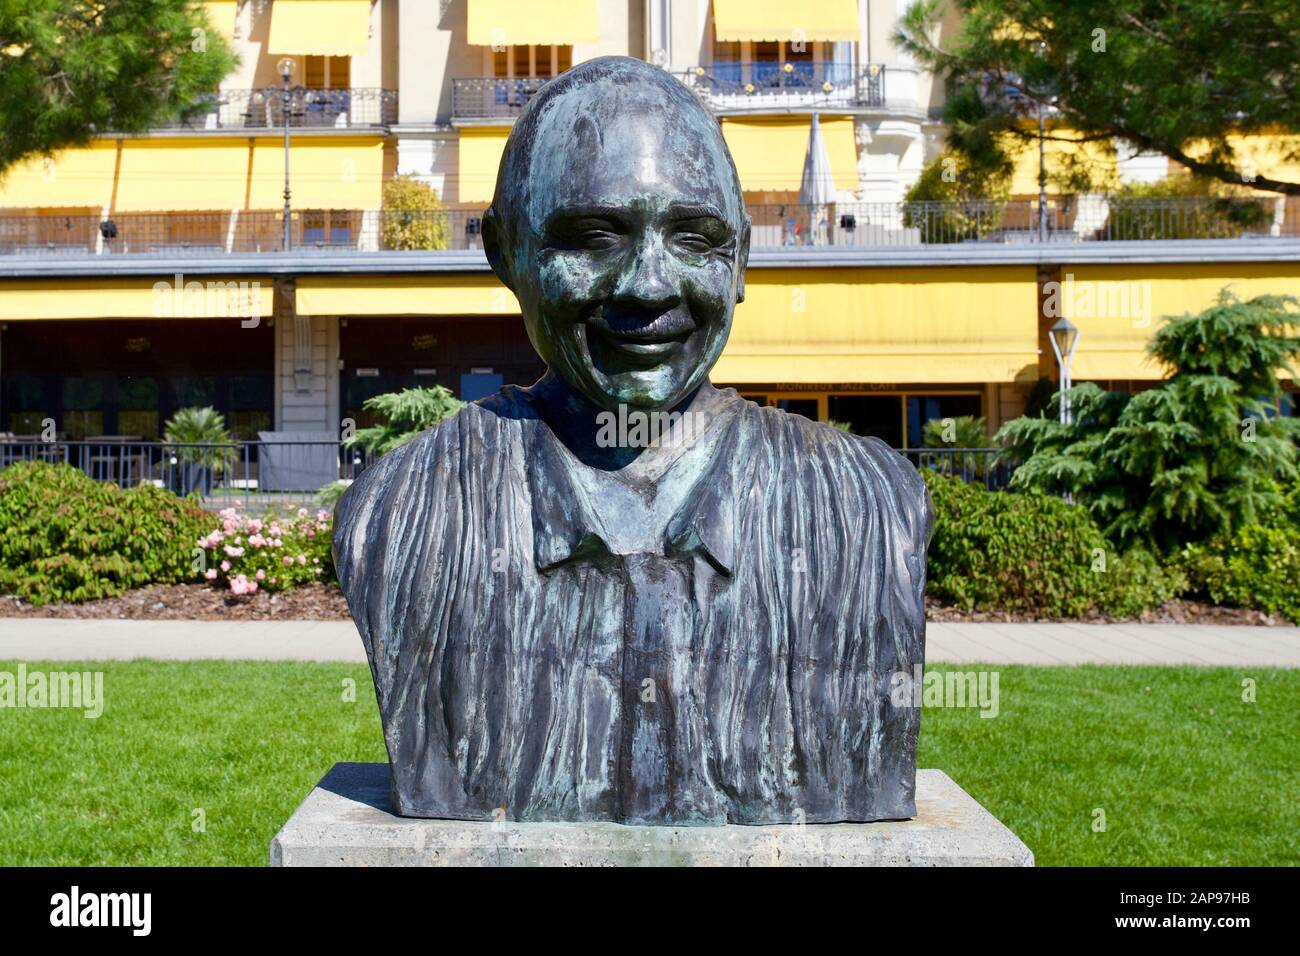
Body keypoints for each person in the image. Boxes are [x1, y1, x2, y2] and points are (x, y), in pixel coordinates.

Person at [334, 57, 932, 825]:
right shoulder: (407, 515)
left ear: (742, 257)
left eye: (694, 237)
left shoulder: (866, 511)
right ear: (504, 254)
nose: (648, 286)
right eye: (593, 236)